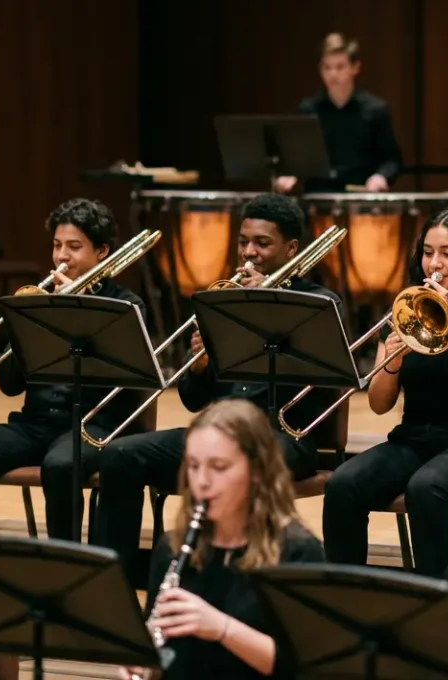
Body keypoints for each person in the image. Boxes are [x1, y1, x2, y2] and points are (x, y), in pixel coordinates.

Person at [94, 193, 342, 578]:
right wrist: (200, 367)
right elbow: (194, 401)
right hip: (220, 430)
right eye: (244, 242)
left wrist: (268, 307)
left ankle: (236, 575)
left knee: (241, 463)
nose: (249, 252)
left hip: (285, 436)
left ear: (291, 248)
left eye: (262, 243)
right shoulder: (221, 300)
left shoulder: (318, 304)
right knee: (119, 455)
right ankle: (113, 581)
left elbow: (328, 387)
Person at [0, 198, 147, 540]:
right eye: (57, 246)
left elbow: (130, 381)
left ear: (102, 252)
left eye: (74, 247)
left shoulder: (125, 306)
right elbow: (9, 385)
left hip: (96, 425)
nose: (61, 257)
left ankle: (67, 568)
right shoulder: (38, 301)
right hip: (35, 426)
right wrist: (22, 327)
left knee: (59, 466)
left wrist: (77, 313)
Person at [323, 207, 448, 577]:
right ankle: (348, 597)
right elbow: (380, 405)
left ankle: (440, 604)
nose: (435, 263)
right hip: (414, 439)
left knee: (426, 488)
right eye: (428, 252)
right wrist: (393, 359)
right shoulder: (410, 306)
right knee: (342, 484)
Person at [119, 399, 325, 680]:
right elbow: (165, 655)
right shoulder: (173, 548)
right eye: (193, 466)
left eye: (218, 466)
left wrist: (221, 628)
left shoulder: (298, 553)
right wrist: (145, 663)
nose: (202, 481)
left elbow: (306, 667)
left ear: (257, 472)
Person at [275, 32, 403, 194]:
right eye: (327, 67)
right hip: (318, 197)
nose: (332, 74)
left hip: (359, 201)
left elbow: (392, 160)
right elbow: (295, 158)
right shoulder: (308, 110)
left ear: (355, 67)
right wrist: (289, 174)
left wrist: (381, 176)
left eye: (340, 67)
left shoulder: (375, 109)